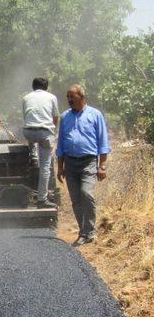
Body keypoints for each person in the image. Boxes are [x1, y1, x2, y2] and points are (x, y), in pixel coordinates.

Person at [56, 84, 110, 247]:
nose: (69, 100)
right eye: (68, 97)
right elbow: (61, 144)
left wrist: (102, 166)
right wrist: (60, 167)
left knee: (86, 194)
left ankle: (90, 230)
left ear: (82, 97)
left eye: (72, 96)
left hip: (88, 162)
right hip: (70, 163)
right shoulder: (65, 116)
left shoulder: (95, 115)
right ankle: (84, 232)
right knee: (76, 200)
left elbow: (103, 142)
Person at [22, 77, 59, 208]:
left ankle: (33, 155)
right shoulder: (52, 97)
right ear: (46, 87)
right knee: (45, 167)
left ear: (33, 87)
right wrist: (52, 132)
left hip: (28, 132)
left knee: (32, 134)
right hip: (45, 132)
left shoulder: (26, 98)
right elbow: (55, 117)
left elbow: (26, 118)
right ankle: (42, 200)